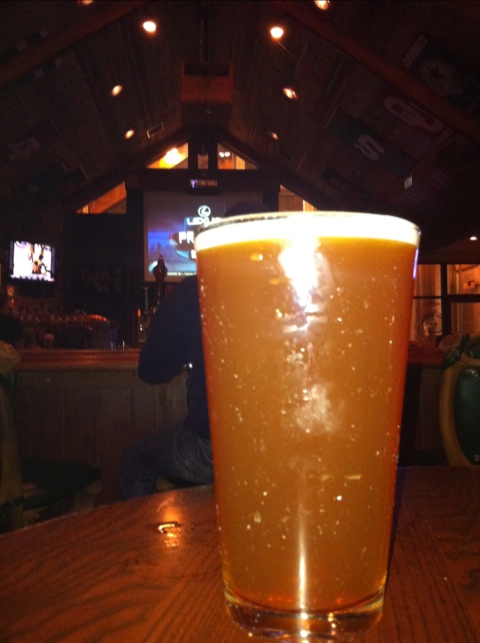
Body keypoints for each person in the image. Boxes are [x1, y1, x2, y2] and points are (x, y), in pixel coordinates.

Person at [119, 200, 269, 499]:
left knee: (133, 463)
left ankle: (159, 530)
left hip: (215, 446)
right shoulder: (292, 289)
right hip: (283, 442)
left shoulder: (194, 291)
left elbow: (151, 371)